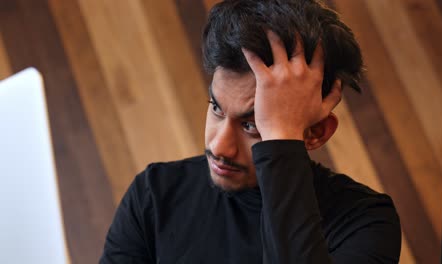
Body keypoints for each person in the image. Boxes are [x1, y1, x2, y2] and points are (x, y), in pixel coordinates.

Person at [100, 0, 401, 263]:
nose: (220, 146)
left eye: (252, 125)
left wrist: (281, 138)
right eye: (216, 108)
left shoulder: (365, 222)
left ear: (316, 133)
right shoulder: (155, 194)